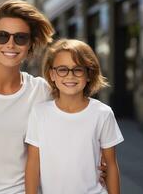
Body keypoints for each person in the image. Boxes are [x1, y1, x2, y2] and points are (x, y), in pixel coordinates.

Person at [0, 0, 106, 194]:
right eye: (2, 36)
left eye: (20, 38)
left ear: (30, 45)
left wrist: (99, 162)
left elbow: (70, 130)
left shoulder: (42, 91)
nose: (11, 44)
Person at [25, 39, 124, 194]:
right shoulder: (39, 113)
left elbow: (111, 165)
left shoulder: (103, 113)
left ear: (89, 74)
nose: (70, 76)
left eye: (78, 69)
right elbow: (33, 163)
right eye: (62, 69)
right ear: (52, 74)